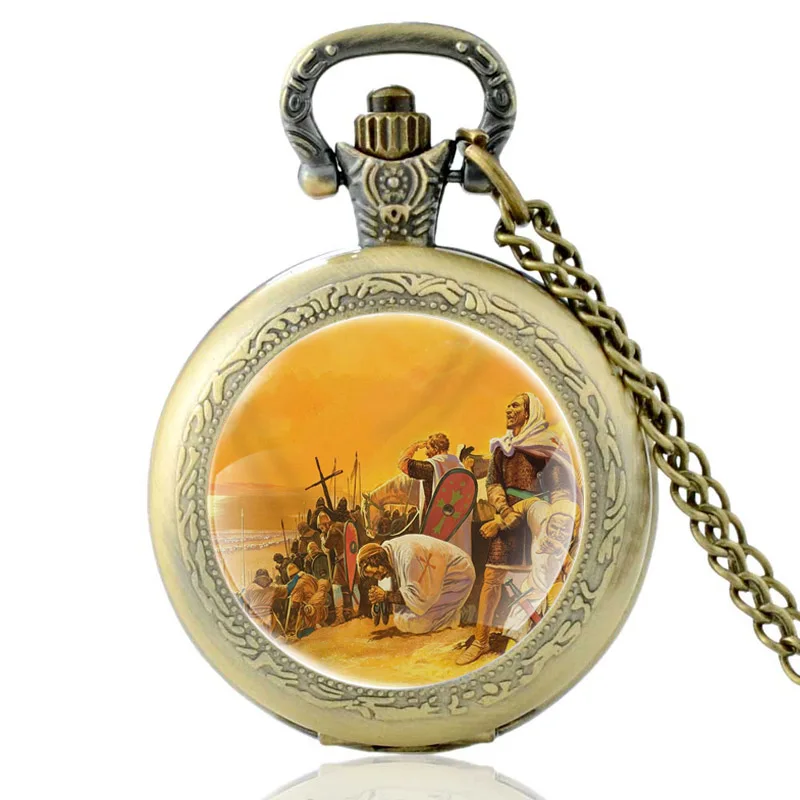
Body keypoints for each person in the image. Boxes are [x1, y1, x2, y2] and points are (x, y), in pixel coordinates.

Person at [456, 392, 576, 666]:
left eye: (515, 406)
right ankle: (481, 640)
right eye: (508, 405)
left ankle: (535, 638)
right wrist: (504, 510)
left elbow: (560, 488)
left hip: (538, 519)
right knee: (492, 578)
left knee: (542, 579)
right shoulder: (502, 448)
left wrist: (558, 521)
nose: (508, 409)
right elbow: (493, 483)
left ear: (529, 412)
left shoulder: (547, 445)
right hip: (507, 516)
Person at [356, 535, 475, 635]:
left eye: (376, 573)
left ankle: (464, 613)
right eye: (374, 576)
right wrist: (380, 598)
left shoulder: (410, 555)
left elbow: (420, 595)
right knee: (402, 616)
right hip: (437, 577)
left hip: (456, 576)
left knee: (416, 624)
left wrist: (386, 596)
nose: (378, 578)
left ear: (379, 560)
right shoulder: (387, 553)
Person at [502, 498, 579, 639]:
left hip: (555, 599)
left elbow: (576, 577)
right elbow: (528, 504)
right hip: (529, 596)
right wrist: (501, 520)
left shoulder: (577, 547)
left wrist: (560, 552)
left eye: (564, 529)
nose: (557, 533)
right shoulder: (540, 520)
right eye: (554, 527)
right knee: (514, 639)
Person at [398, 432, 472, 555]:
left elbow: (403, 463)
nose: (426, 452)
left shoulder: (430, 467)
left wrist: (415, 446)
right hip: (455, 524)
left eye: (428, 448)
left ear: (436, 449)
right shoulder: (458, 465)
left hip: (436, 525)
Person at [318, 511, 351, 624]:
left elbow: (326, 549)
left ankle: (340, 616)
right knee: (354, 584)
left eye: (322, 528)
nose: (322, 530)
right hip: (351, 558)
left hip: (342, 561)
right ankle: (355, 610)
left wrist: (322, 538)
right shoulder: (342, 525)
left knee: (336, 587)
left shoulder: (332, 531)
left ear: (326, 524)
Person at [285, 562, 330, 640]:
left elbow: (295, 604)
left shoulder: (298, 584)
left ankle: (315, 630)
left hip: (310, 612)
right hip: (322, 608)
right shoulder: (310, 577)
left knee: (300, 632)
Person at [241, 569, 288, 636]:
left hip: (254, 616)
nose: (263, 582)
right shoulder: (272, 588)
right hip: (267, 617)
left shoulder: (249, 588)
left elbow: (244, 600)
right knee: (279, 636)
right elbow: (285, 590)